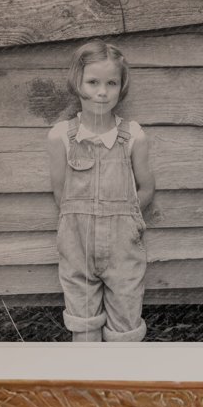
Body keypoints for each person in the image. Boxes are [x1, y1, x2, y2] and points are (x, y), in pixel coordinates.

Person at [47, 40, 156, 342]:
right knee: (83, 327)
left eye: (112, 82)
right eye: (93, 82)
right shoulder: (61, 136)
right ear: (77, 83)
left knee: (125, 327)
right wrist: (82, 224)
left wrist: (128, 223)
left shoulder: (133, 136)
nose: (102, 91)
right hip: (76, 247)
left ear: (122, 87)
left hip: (123, 248)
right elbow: (61, 194)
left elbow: (145, 188)